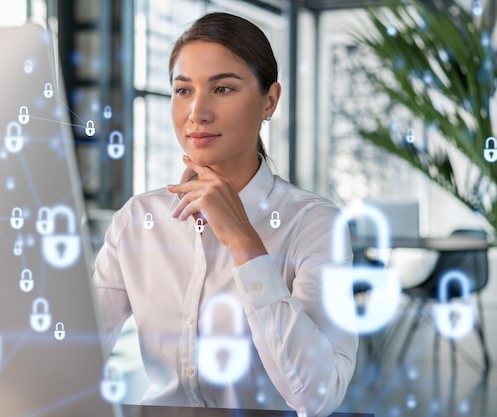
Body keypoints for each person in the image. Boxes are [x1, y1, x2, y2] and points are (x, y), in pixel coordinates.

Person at [94, 11, 357, 417]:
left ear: (269, 101)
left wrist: (241, 239)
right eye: (183, 91)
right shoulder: (136, 220)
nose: (197, 112)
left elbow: (318, 394)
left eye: (223, 89)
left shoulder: (315, 224)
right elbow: (76, 348)